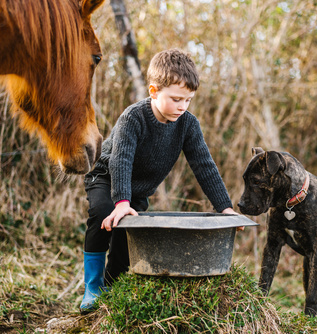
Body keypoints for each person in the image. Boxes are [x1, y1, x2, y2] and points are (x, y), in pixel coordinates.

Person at [80, 48, 238, 313]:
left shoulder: (188, 124)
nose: (182, 106)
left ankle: (110, 291)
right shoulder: (134, 117)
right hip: (107, 177)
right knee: (103, 213)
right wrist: (120, 202)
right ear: (153, 91)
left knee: (128, 240)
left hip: (137, 191)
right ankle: (93, 287)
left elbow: (204, 166)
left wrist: (225, 207)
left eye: (188, 100)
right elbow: (121, 160)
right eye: (176, 99)